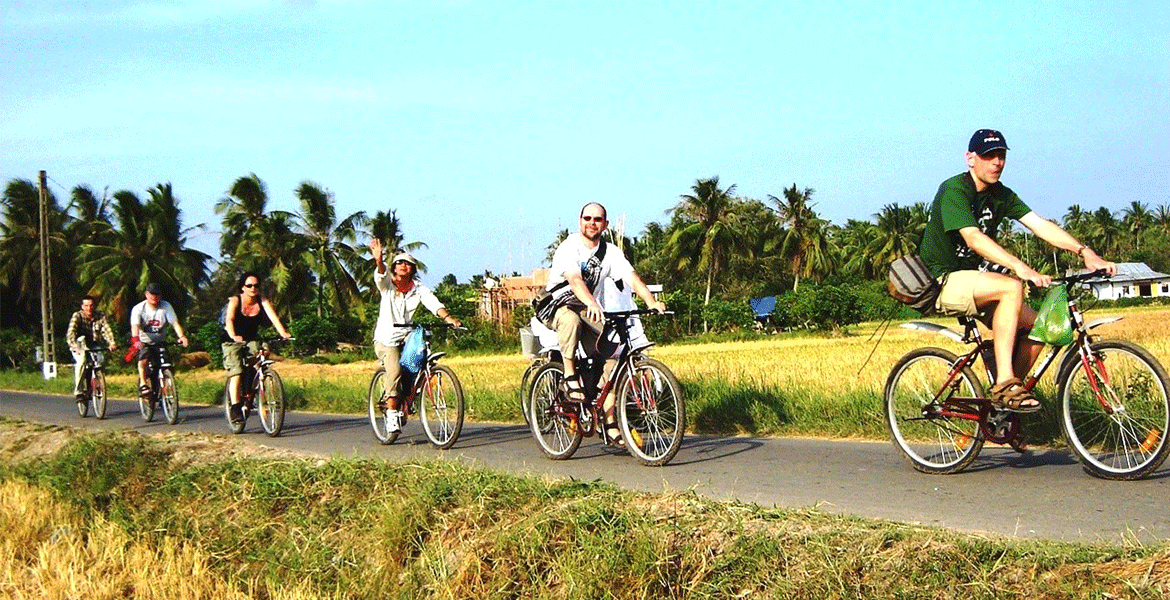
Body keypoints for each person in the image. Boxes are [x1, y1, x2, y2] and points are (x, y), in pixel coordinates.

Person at [919, 129, 1116, 412]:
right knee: (1011, 286)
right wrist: (1021, 268)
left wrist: (1086, 253)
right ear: (970, 159)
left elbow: (1040, 225)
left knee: (1042, 328)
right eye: (988, 156)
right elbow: (973, 237)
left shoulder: (1001, 195)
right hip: (943, 279)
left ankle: (1006, 401)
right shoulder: (954, 190)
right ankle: (1005, 380)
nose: (996, 162)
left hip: (976, 282)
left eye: (1001, 155)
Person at [543, 202, 666, 442]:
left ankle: (609, 421)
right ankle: (569, 375)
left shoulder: (611, 253)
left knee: (612, 355)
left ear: (605, 225)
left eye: (597, 219)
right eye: (587, 218)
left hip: (591, 310)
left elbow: (632, 278)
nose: (592, 223)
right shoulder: (568, 248)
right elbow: (575, 280)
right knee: (571, 320)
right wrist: (591, 303)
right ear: (580, 222)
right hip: (558, 306)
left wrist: (651, 302)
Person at [369, 238, 462, 433]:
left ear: (413, 269)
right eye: (400, 263)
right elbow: (380, 274)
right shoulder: (388, 285)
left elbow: (434, 304)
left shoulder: (418, 288)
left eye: (408, 264)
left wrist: (449, 319)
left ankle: (410, 395)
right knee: (394, 371)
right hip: (387, 338)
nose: (404, 266)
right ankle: (392, 413)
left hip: (407, 335)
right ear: (394, 268)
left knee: (418, 360)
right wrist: (379, 260)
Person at [221, 272, 293, 423]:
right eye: (249, 285)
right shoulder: (235, 300)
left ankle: (251, 388)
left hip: (251, 339)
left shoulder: (262, 301)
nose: (253, 288)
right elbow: (230, 319)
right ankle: (235, 408)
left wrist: (283, 333)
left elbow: (274, 318)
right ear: (243, 287)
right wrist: (234, 336)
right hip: (232, 339)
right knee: (236, 371)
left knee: (261, 356)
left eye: (256, 285)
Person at [129, 282, 189, 398]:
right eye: (151, 294)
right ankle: (143, 384)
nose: (154, 297)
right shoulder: (139, 308)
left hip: (160, 341)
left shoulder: (166, 306)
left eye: (157, 294)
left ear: (160, 296)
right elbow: (135, 326)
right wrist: (136, 340)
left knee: (166, 363)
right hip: (143, 341)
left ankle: (165, 390)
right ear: (146, 294)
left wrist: (182, 336)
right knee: (143, 359)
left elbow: (175, 323)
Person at [66, 295, 118, 405]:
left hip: (93, 344)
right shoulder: (77, 316)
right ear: (82, 307)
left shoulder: (100, 316)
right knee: (82, 361)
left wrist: (112, 343)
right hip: (79, 344)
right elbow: (71, 334)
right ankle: (79, 391)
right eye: (86, 306)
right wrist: (75, 347)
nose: (89, 308)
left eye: (91, 305)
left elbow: (106, 330)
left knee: (101, 360)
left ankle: (97, 382)